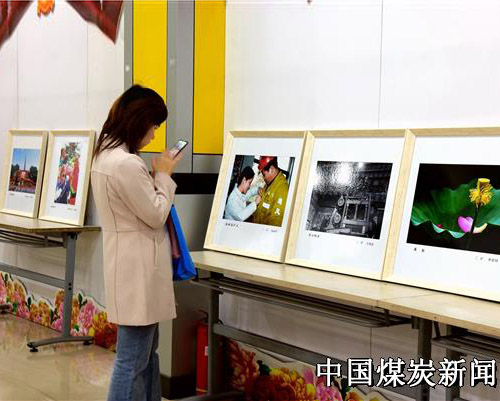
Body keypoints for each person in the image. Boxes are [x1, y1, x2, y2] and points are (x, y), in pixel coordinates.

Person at [91, 85, 181, 401]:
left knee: (145, 354)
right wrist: (164, 175)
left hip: (128, 264)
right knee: (132, 359)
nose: (154, 135)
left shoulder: (106, 155)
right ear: (138, 121)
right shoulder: (126, 164)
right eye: (153, 126)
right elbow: (155, 214)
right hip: (139, 269)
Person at [252, 156, 289, 227]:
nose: (263, 178)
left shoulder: (282, 190)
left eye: (264, 175)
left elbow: (275, 224)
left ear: (271, 169)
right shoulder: (269, 184)